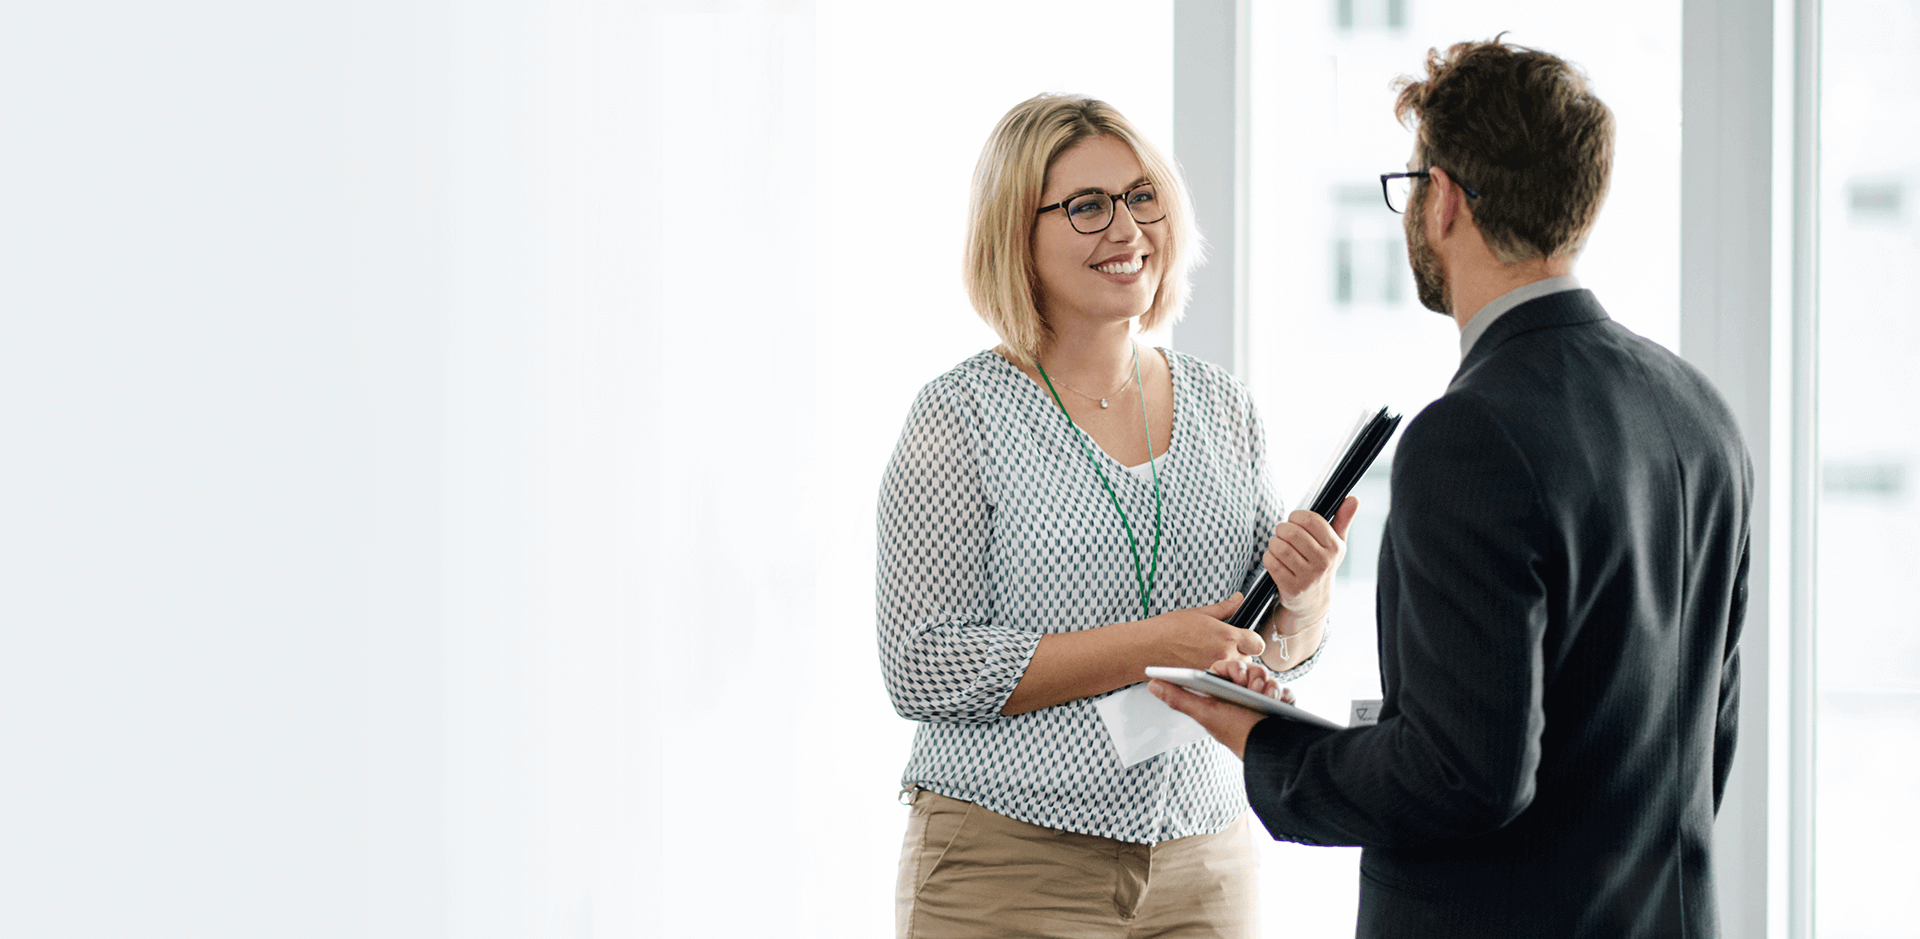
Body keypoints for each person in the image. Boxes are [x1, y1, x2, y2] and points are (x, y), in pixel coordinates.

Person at [1151, 39, 1752, 938]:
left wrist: (1261, 740)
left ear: (1444, 200)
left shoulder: (1468, 435)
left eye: (1411, 182)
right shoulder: (1697, 408)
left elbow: (1467, 775)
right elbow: (1707, 738)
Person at [876, 93, 1358, 939]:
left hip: (1203, 862)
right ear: (1014, 233)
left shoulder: (1222, 405)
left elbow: (1270, 651)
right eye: (1087, 206)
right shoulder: (960, 416)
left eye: (1142, 198)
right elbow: (923, 666)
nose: (1128, 230)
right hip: (1007, 863)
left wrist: (1304, 596)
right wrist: (1152, 646)